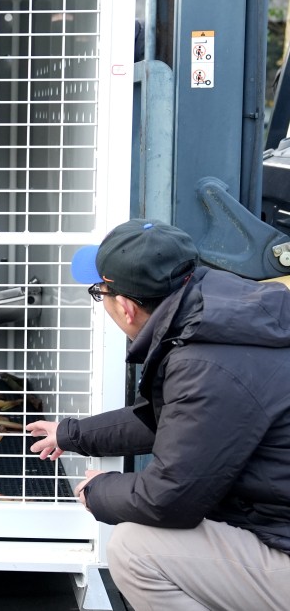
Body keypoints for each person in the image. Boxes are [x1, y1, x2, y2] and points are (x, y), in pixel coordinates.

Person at [27, 218, 290, 609]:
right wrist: (72, 434)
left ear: (127, 308)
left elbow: (170, 500)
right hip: (276, 524)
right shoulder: (222, 312)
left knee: (136, 551)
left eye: (99, 292)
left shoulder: (205, 362)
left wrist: (99, 491)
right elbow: (176, 420)